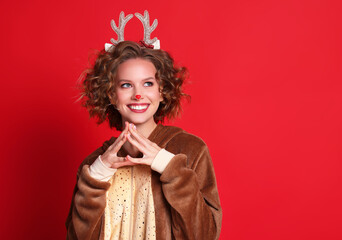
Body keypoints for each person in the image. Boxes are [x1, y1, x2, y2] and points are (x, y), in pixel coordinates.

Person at [66, 11, 221, 240]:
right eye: (126, 85)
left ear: (162, 91)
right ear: (111, 94)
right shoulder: (93, 165)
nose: (138, 95)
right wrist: (97, 177)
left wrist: (169, 167)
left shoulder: (190, 150)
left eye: (148, 83)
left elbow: (205, 235)